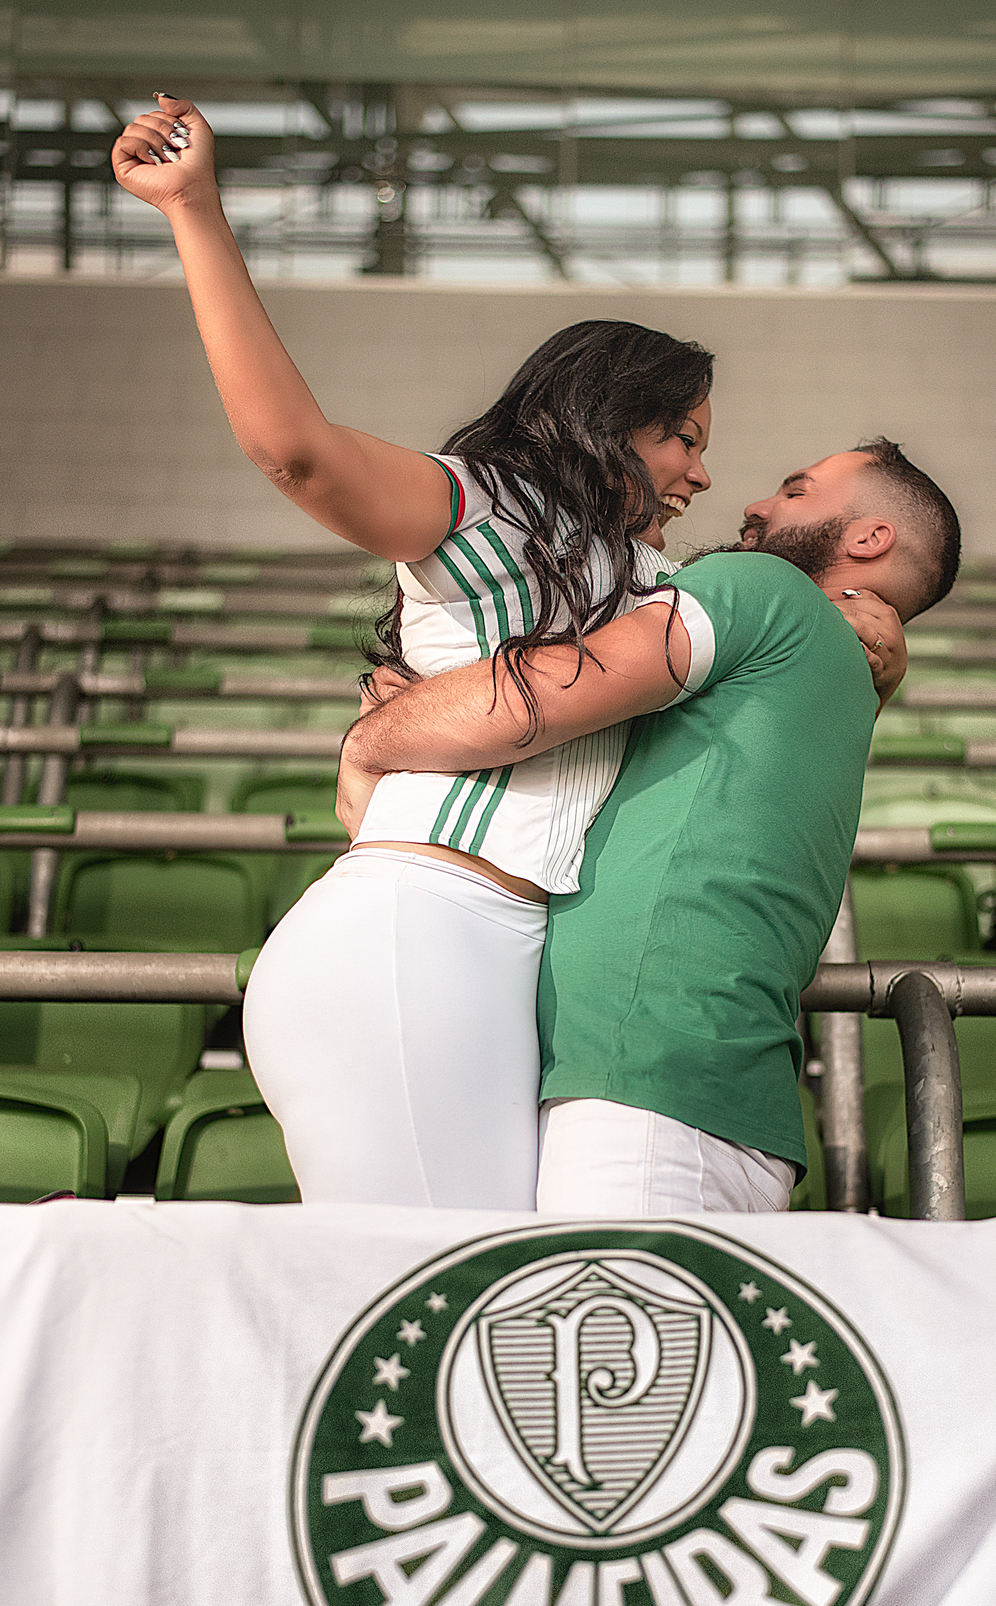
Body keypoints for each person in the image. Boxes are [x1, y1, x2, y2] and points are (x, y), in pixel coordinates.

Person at [111, 96, 714, 1210]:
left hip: (488, 953)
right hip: (413, 937)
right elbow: (296, 453)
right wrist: (194, 210)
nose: (700, 472)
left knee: (465, 1309)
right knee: (429, 1301)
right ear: (612, 417)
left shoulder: (657, 586)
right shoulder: (485, 501)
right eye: (684, 436)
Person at [339, 439, 959, 1214]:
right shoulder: (839, 667)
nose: (754, 505)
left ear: (870, 538)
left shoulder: (764, 587)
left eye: (794, 492)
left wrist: (372, 740)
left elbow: (539, 693)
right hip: (667, 1078)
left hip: (657, 1078)